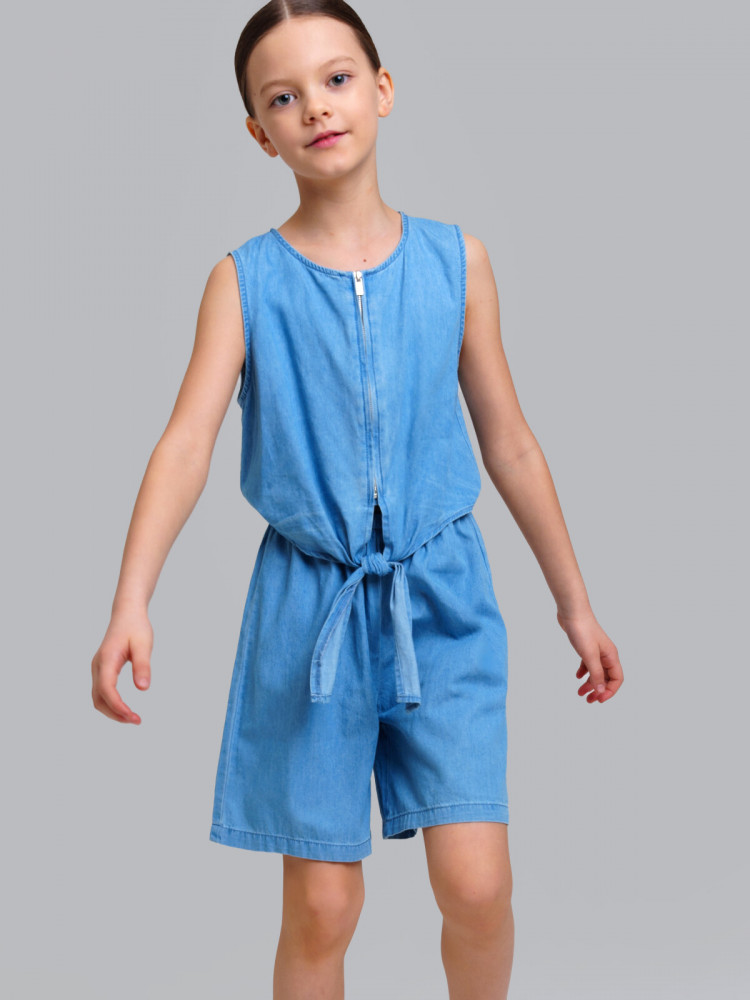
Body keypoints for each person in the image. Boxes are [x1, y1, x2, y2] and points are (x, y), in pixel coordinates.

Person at [91, 2, 624, 997]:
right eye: (282, 97)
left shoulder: (457, 263)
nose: (316, 108)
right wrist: (132, 600)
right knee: (324, 906)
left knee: (478, 884)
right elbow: (186, 444)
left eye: (337, 80)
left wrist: (576, 605)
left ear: (382, 90)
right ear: (260, 133)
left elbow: (510, 442)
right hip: (310, 616)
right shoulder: (242, 282)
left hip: (444, 603)